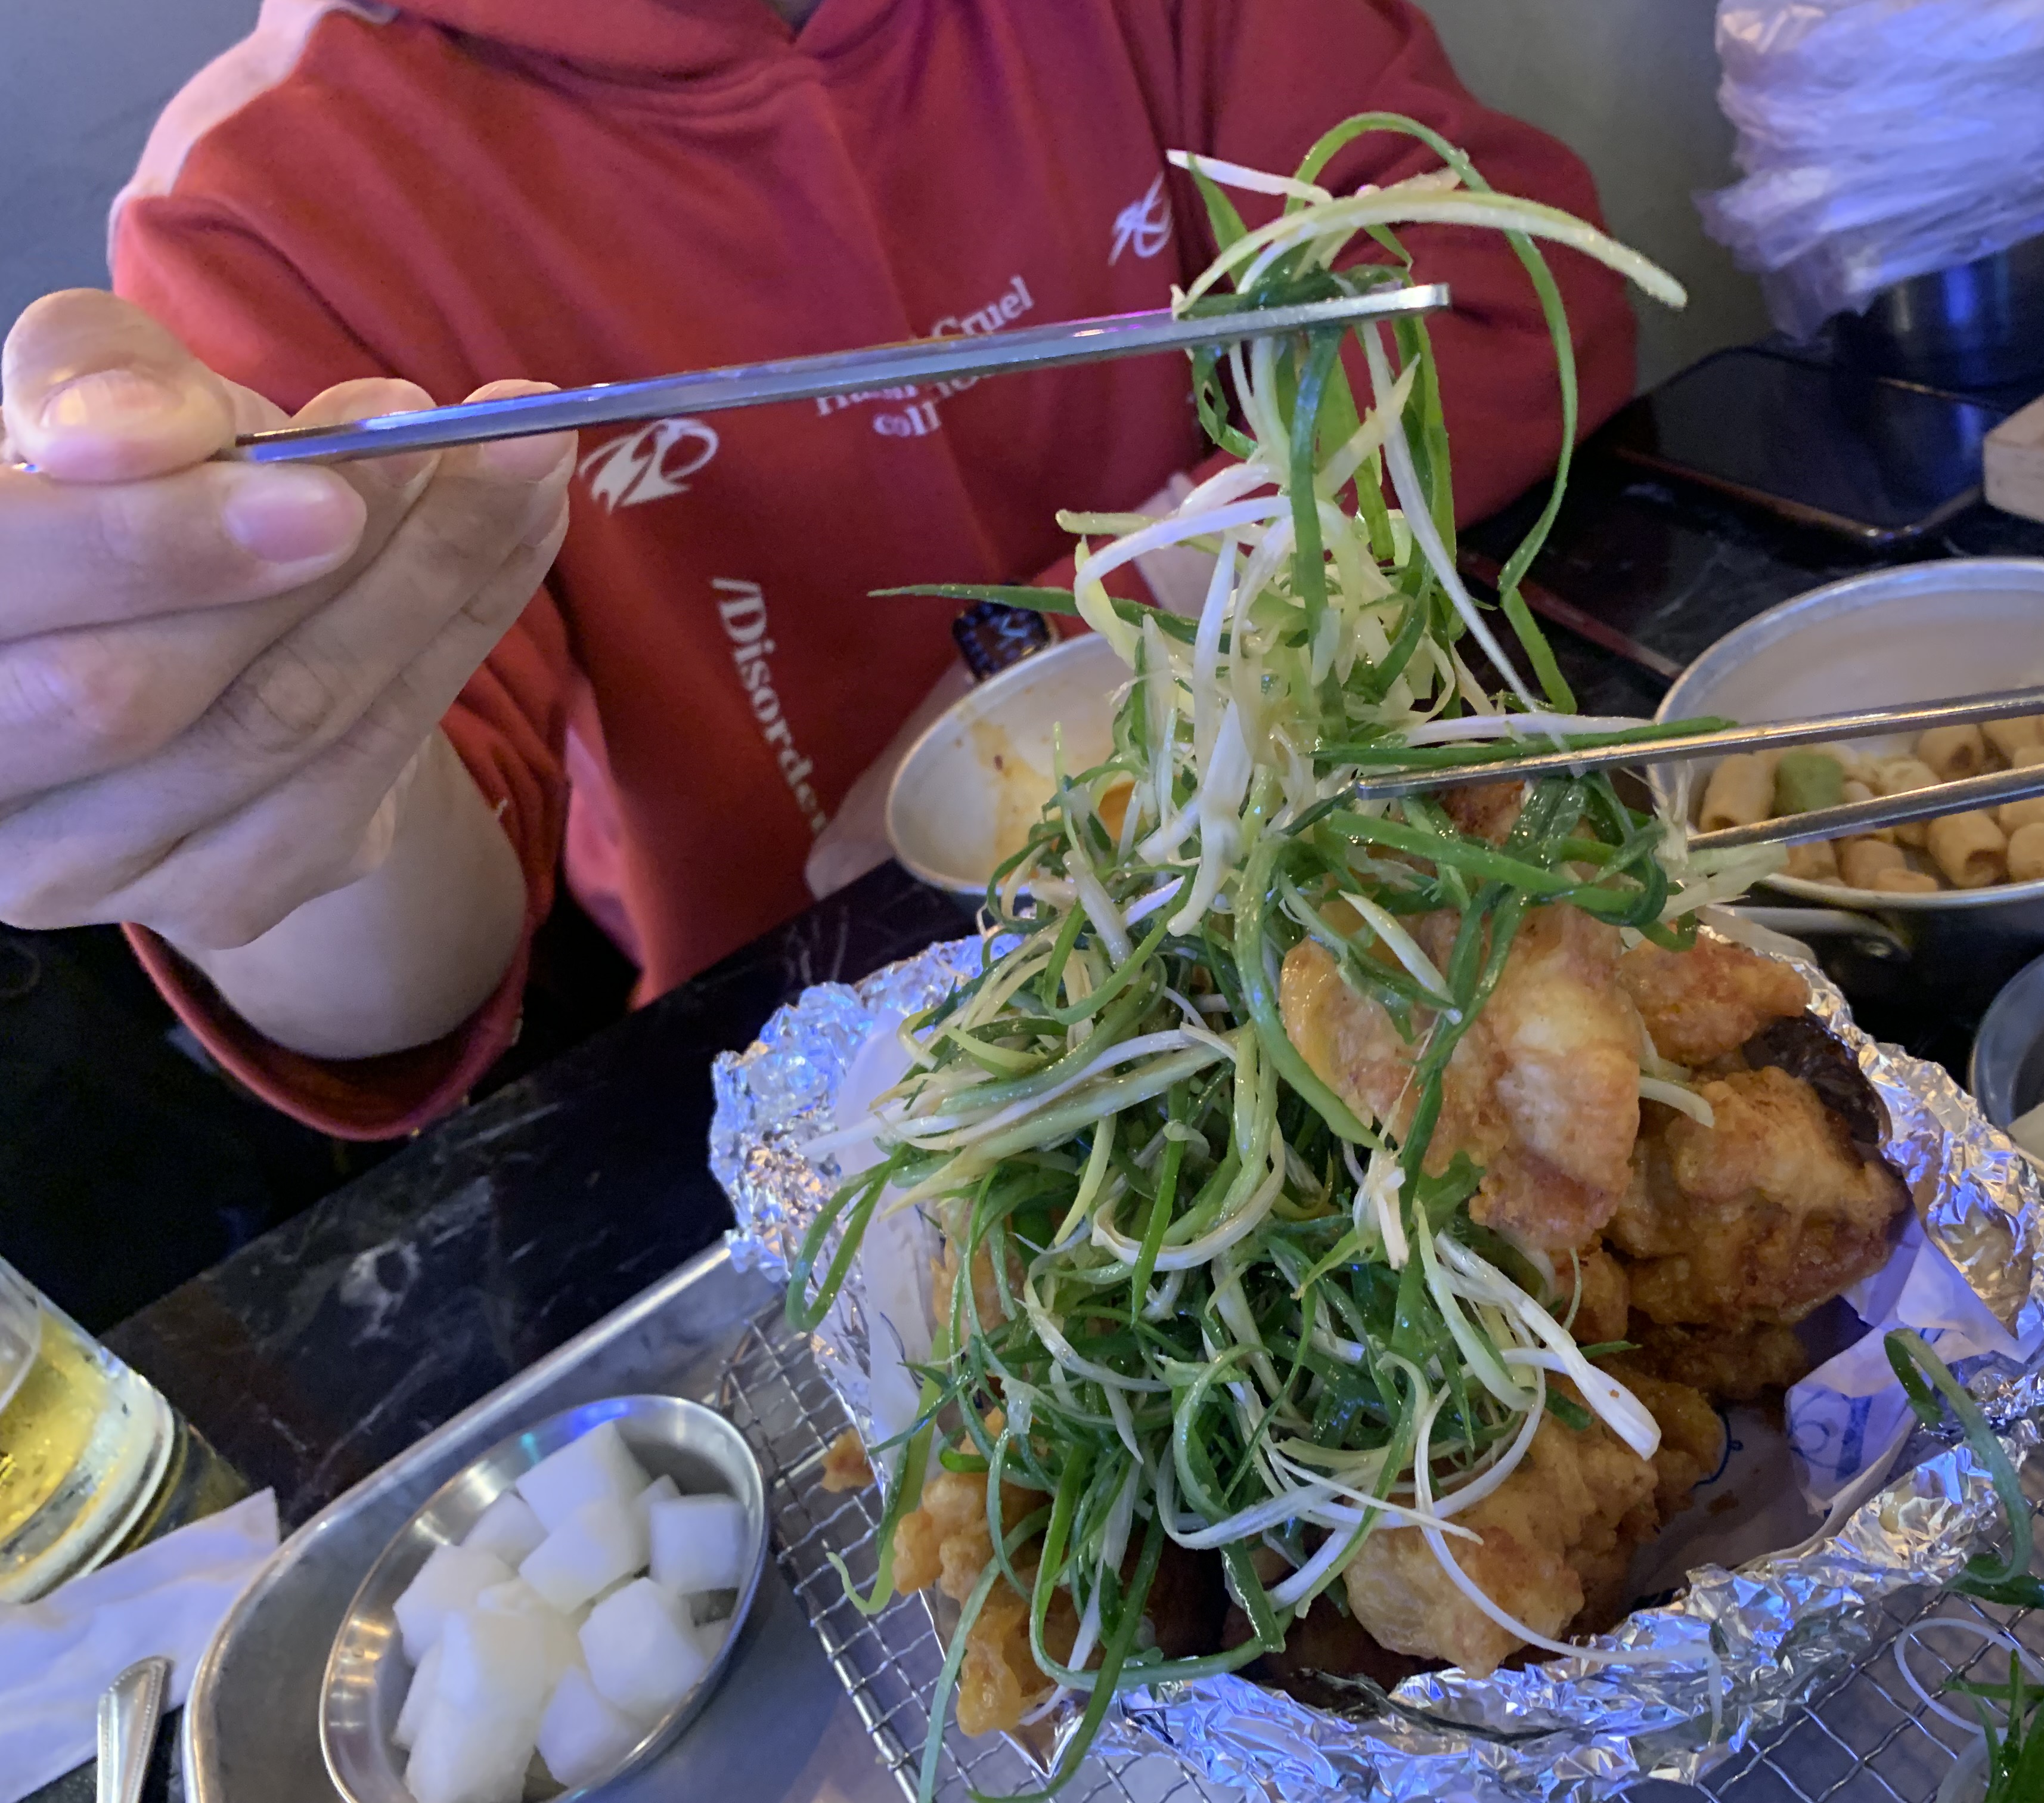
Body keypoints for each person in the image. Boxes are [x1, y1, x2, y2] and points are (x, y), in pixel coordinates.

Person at [0, 0, 1637, 1141]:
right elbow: (397, 967)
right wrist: (258, 766)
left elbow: (1505, 306)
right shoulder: (278, 195)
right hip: (858, 1047)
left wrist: (1045, 643)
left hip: (1353, 859)